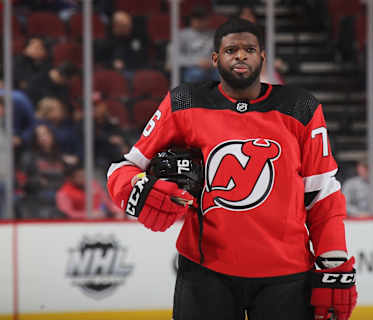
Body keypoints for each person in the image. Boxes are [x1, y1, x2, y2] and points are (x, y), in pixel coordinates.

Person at [107, 18, 356, 320]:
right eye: (231, 50)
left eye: (249, 49)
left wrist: (333, 262)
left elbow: (323, 195)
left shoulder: (300, 107)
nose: (241, 56)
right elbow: (125, 168)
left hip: (287, 276)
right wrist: (137, 190)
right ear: (215, 58)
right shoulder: (184, 102)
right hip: (205, 272)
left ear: (263, 57)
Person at [56, 164, 124, 219]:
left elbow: (106, 201)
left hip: (101, 221)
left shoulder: (93, 185)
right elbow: (67, 214)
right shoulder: (64, 193)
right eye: (80, 176)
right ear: (71, 178)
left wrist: (117, 210)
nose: (83, 179)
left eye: (84, 175)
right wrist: (88, 215)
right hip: (78, 225)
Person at [176, 6, 218, 82]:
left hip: (212, 67)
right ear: (191, 20)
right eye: (196, 19)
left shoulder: (214, 34)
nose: (199, 22)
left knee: (224, 75)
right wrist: (196, 62)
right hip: (192, 67)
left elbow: (220, 54)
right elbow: (176, 57)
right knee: (197, 74)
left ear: (208, 20)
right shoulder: (182, 35)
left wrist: (212, 62)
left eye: (202, 19)